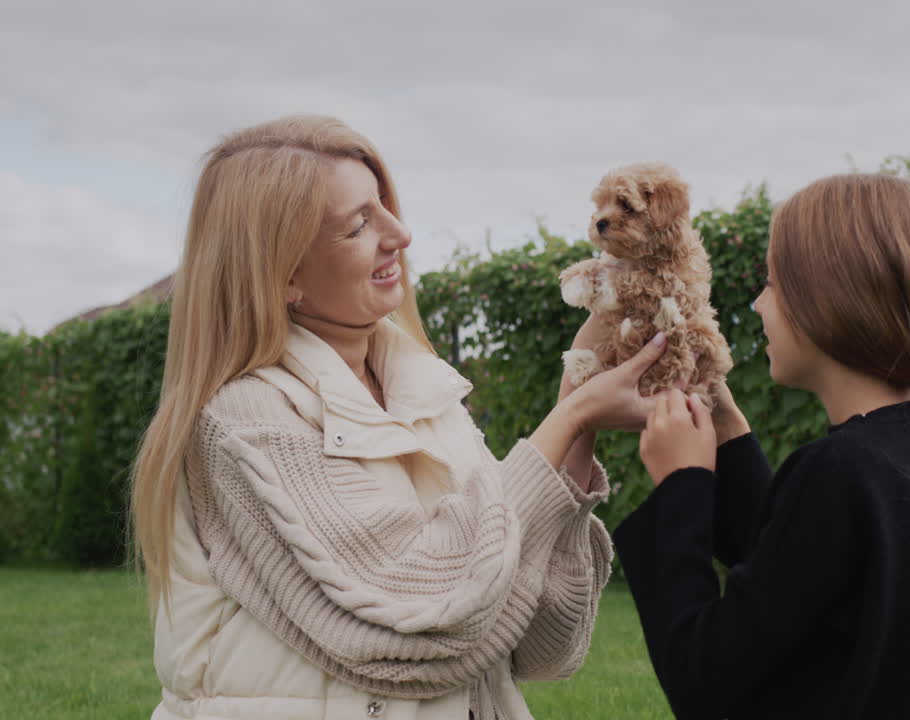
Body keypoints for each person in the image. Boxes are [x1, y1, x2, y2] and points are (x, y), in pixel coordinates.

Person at [131, 114, 665, 720]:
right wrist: (568, 419)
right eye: (358, 225)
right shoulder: (245, 422)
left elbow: (539, 650)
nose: (400, 233)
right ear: (283, 276)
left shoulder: (427, 398)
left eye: (383, 205)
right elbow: (415, 630)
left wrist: (580, 409)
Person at [615, 173, 910, 719]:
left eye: (773, 284)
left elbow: (703, 679)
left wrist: (682, 483)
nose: (757, 304)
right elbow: (793, 574)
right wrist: (728, 433)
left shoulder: (839, 470)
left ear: (829, 299)